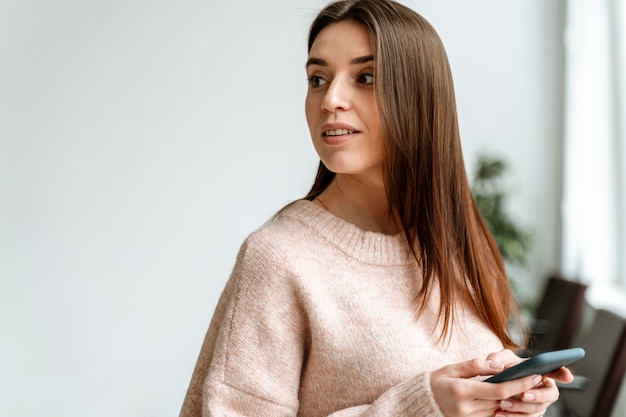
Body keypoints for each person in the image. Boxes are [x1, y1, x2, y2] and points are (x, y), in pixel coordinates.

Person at [179, 0, 573, 416]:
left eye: (364, 77)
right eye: (317, 79)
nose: (331, 99)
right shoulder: (278, 259)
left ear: (421, 98)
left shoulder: (457, 244)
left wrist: (510, 399)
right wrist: (417, 408)